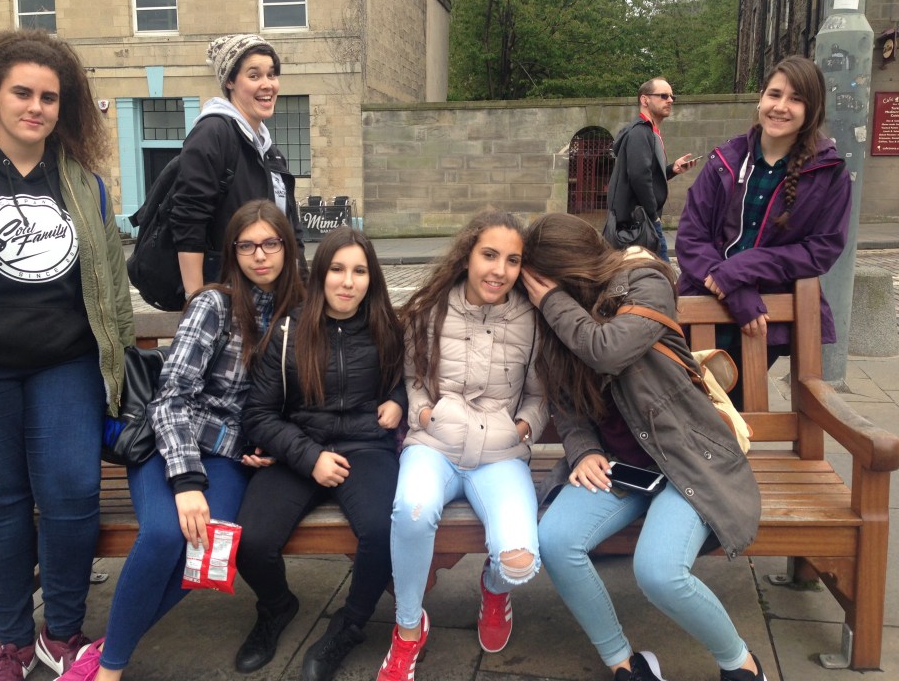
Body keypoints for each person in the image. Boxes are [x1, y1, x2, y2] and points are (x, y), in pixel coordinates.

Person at [0, 29, 133, 680]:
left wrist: (117, 373)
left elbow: (111, 287)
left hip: (65, 366)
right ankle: (14, 644)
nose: (36, 107)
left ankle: (64, 631)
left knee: (72, 493)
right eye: (22, 92)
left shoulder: (81, 182)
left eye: (49, 97)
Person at [58, 201, 305, 681]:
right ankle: (109, 670)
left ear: (287, 248)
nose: (260, 255)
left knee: (206, 549)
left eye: (270, 243)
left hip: (231, 457)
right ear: (232, 252)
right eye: (247, 245)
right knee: (164, 535)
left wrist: (269, 442)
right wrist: (187, 480)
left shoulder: (299, 314)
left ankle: (107, 650)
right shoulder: (215, 306)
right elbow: (171, 398)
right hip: (169, 444)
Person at [520, 213, 766, 681]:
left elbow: (607, 349)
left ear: (570, 273)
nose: (533, 297)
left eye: (539, 285)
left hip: (686, 460)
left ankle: (740, 662)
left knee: (659, 572)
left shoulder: (644, 282)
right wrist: (584, 450)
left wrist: (552, 301)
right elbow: (566, 405)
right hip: (622, 466)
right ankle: (625, 663)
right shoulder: (554, 320)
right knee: (555, 540)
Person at [375, 210, 548, 681]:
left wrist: (523, 428)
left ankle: (493, 588)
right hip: (435, 447)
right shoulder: (430, 310)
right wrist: (424, 415)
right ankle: (408, 628)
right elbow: (413, 379)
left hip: (500, 455)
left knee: (519, 563)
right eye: (489, 255)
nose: (499, 270)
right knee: (411, 512)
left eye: (512, 260)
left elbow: (539, 396)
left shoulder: (532, 320)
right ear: (468, 255)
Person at [234, 226, 406, 681]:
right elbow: (258, 414)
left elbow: (404, 382)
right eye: (337, 269)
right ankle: (276, 606)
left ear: (371, 278)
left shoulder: (386, 328)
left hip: (365, 448)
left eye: (359, 271)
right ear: (320, 274)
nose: (348, 282)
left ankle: (348, 626)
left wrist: (398, 400)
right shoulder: (288, 332)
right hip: (300, 447)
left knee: (383, 529)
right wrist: (310, 457)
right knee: (251, 541)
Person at [675, 55, 851, 404]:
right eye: (774, 94)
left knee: (734, 408)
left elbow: (821, 249)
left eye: (796, 99)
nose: (781, 107)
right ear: (761, 98)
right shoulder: (724, 160)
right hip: (701, 302)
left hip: (764, 319)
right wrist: (734, 290)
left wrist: (742, 268)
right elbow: (691, 237)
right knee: (680, 401)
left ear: (811, 109)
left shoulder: (829, 173)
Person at [171, 33, 307, 297]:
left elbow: (291, 227)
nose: (267, 85)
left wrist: (301, 289)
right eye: (254, 75)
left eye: (272, 74)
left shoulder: (270, 151)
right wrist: (197, 299)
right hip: (228, 293)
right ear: (230, 81)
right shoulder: (213, 133)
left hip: (274, 295)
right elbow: (189, 218)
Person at [607, 77, 698, 262]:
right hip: (640, 223)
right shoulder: (640, 132)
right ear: (644, 99)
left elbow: (646, 172)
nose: (670, 100)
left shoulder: (648, 131)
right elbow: (639, 176)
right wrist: (653, 215)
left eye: (672, 96)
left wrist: (672, 169)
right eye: (663, 96)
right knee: (662, 274)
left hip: (641, 221)